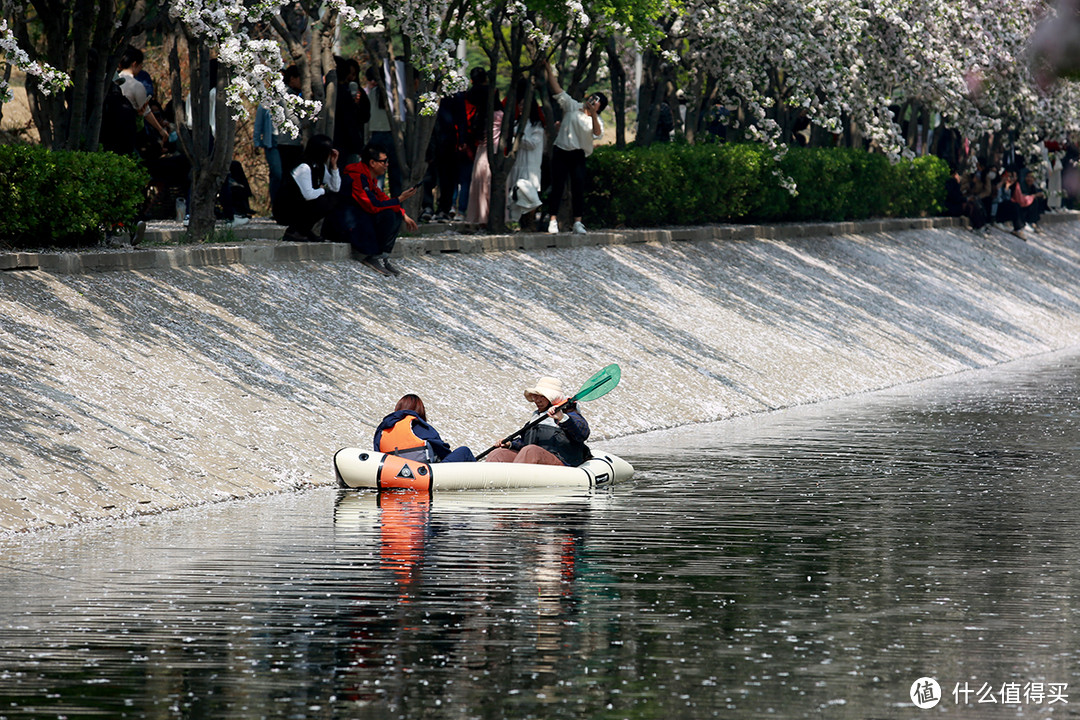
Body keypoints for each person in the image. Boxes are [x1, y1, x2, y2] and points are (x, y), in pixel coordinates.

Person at [542, 56, 606, 235]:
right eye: (593, 97)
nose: (593, 100)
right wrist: (548, 69)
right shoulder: (573, 106)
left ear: (600, 107)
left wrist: (593, 114)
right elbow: (558, 90)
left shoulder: (597, 119)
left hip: (578, 155)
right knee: (557, 186)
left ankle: (578, 222)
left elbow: (597, 132)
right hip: (561, 151)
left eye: (597, 100)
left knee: (578, 188)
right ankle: (552, 220)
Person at [338, 142, 418, 276]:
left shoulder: (370, 178)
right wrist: (399, 199)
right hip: (349, 222)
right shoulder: (357, 176)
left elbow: (382, 198)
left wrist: (403, 214)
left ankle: (382, 255)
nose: (387, 165)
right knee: (387, 214)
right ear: (372, 163)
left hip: (362, 217)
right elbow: (372, 205)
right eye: (384, 161)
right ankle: (372, 255)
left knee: (395, 213)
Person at [484, 376, 590, 466]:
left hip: (562, 463)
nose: (537, 400)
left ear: (553, 398)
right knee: (498, 453)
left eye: (542, 397)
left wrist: (563, 418)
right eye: (535, 396)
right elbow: (525, 442)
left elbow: (582, 434)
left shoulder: (569, 414)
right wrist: (510, 444)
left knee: (531, 451)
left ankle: (516, 481)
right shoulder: (536, 418)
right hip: (533, 460)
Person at [273, 133, 340, 242]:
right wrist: (323, 190)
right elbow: (308, 195)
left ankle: (304, 230)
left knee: (333, 199)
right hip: (286, 208)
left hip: (302, 205)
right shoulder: (304, 167)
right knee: (322, 201)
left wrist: (334, 166)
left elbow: (335, 188)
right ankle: (294, 231)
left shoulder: (320, 166)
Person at [374, 394, 475, 463]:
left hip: (392, 473)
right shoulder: (416, 424)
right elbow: (442, 449)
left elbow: (377, 455)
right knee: (464, 451)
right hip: (423, 473)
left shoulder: (382, 429)